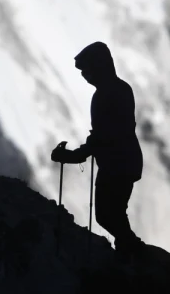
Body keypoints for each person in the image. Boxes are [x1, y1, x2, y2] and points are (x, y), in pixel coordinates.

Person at [51, 42, 144, 257]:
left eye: (86, 69)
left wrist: (72, 156)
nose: (84, 75)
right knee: (115, 212)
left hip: (115, 165)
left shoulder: (104, 95)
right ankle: (130, 249)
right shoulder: (121, 89)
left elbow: (102, 136)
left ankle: (131, 249)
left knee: (106, 214)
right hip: (126, 162)